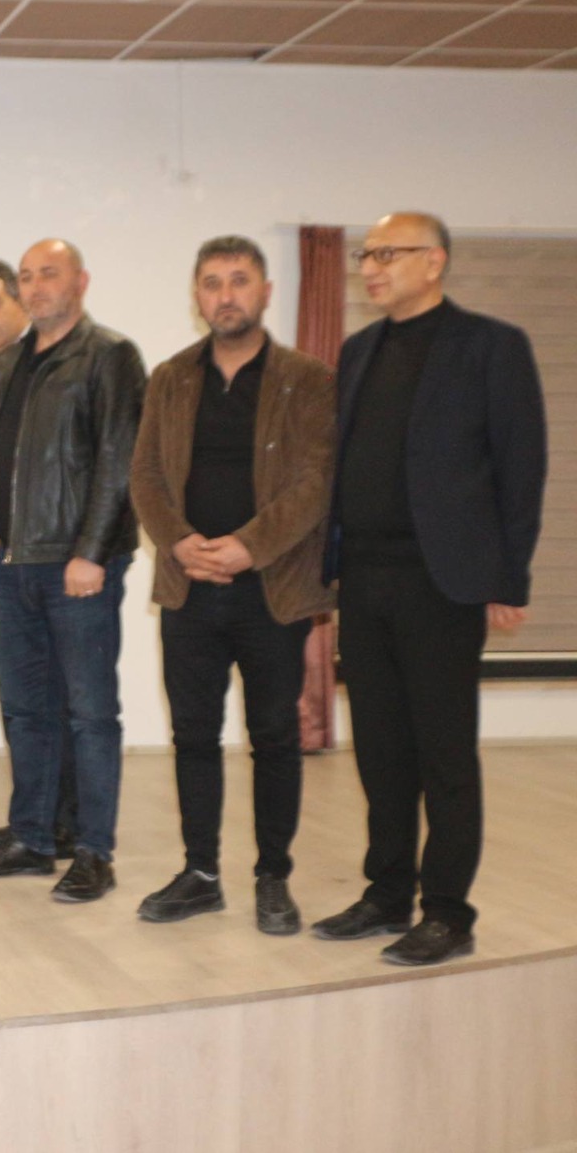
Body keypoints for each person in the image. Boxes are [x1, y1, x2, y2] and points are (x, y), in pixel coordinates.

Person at [313, 212, 546, 966]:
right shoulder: (359, 350)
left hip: (441, 582)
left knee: (443, 753)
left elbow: (521, 466)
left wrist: (509, 575)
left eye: (390, 253)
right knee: (380, 751)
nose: (372, 266)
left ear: (435, 261)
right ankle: (386, 894)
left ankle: (448, 911)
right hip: (365, 577)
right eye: (367, 253)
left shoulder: (490, 346)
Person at [129, 237, 335, 935]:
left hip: (271, 589)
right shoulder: (169, 377)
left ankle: (273, 877)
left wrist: (249, 547)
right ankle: (201, 874)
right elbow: (145, 476)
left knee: (274, 736)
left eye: (239, 280)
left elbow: (316, 482)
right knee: (192, 734)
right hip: (189, 584)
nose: (226, 295)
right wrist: (180, 540)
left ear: (266, 292)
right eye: (213, 282)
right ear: (197, 295)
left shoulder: (307, 378)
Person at [0, 239, 144, 904]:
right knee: (26, 710)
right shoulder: (7, 364)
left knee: (90, 714)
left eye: (48, 275)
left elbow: (119, 459)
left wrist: (92, 551)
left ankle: (93, 853)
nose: (36, 287)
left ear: (80, 281)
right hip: (10, 564)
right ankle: (32, 840)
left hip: (74, 566)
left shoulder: (109, 355)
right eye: (27, 277)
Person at [0, 258, 77, 855]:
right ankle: (33, 818)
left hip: (56, 562)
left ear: (21, 301)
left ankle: (65, 824)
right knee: (24, 704)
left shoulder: (56, 367)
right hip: (6, 561)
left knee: (63, 702)